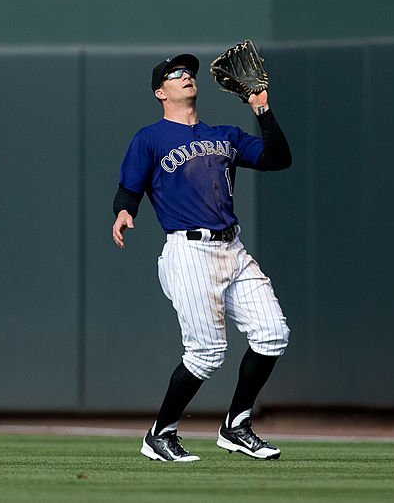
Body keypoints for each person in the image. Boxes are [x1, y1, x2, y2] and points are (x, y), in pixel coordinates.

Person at [112, 52, 293, 462]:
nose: (185, 76)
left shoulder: (225, 135)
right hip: (188, 251)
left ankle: (236, 425)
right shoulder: (150, 138)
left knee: (272, 334)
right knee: (206, 354)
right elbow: (129, 189)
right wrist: (124, 212)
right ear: (161, 92)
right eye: (175, 74)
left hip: (233, 248)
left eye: (189, 72)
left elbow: (277, 159)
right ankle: (160, 433)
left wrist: (261, 108)